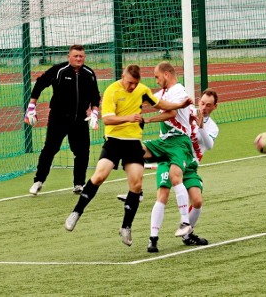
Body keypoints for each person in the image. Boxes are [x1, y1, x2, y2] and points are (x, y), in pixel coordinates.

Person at [62, 64, 191, 247]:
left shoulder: (142, 90)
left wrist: (180, 105)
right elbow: (107, 119)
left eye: (135, 83)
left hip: (133, 143)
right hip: (114, 140)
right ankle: (76, 212)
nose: (132, 87)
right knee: (100, 175)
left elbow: (160, 104)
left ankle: (126, 227)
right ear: (123, 76)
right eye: (130, 83)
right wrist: (129, 118)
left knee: (137, 184)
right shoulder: (112, 91)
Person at [147, 88, 220, 253]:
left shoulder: (213, 127)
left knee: (198, 201)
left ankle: (187, 234)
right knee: (163, 194)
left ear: (215, 107)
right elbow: (169, 115)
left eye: (208, 105)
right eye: (202, 103)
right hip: (172, 157)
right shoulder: (188, 112)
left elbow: (208, 145)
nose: (203, 107)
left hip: (190, 165)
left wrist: (200, 127)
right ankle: (153, 239)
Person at [25, 44, 100, 196]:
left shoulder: (89, 73)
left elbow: (95, 95)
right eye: (76, 56)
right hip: (59, 118)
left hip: (79, 119)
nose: (79, 59)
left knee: (82, 151)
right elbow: (40, 82)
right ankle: (38, 181)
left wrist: (95, 113)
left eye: (81, 56)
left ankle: (79, 184)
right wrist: (32, 105)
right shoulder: (59, 70)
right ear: (69, 57)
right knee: (49, 149)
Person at [137, 62, 197, 251]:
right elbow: (146, 100)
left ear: (167, 74)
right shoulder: (161, 94)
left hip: (179, 142)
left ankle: (185, 223)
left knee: (174, 176)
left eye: (157, 77)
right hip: (163, 142)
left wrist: (148, 119)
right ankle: (152, 238)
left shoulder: (178, 90)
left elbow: (170, 112)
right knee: (134, 150)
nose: (156, 80)